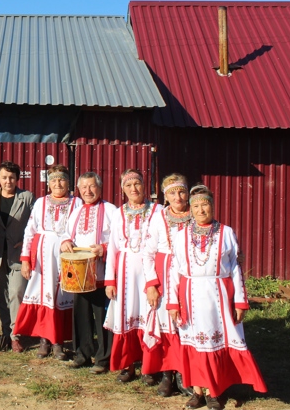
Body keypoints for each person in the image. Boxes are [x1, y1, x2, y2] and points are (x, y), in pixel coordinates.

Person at [167, 185, 267, 410]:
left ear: (212, 206)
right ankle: (197, 392)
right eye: (196, 206)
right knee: (195, 344)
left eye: (205, 205)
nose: (201, 210)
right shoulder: (181, 236)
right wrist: (173, 302)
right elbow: (174, 270)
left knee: (215, 343)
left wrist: (240, 301)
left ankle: (216, 391)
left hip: (218, 297)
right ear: (190, 210)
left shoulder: (226, 233)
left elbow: (235, 269)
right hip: (190, 296)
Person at [14, 164, 81, 360]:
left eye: (61, 179)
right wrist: (26, 260)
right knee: (43, 295)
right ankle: (44, 340)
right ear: (48, 183)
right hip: (42, 257)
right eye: (53, 180)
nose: (57, 183)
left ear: (68, 182)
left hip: (66, 255)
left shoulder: (76, 203)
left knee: (62, 295)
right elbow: (29, 231)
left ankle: (59, 342)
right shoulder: (41, 202)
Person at [105, 168, 162, 383]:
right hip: (125, 273)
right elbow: (112, 248)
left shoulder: (157, 211)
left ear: (144, 185)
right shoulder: (119, 213)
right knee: (126, 317)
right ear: (122, 189)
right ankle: (127, 365)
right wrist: (110, 279)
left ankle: (149, 367)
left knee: (150, 316)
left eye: (137, 184)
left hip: (150, 273)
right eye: (128, 185)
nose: (133, 189)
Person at [142, 173, 193, 396]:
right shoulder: (159, 217)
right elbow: (148, 253)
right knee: (166, 325)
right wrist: (152, 284)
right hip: (163, 276)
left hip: (190, 277)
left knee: (187, 323)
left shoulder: (197, 213)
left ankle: (186, 374)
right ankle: (167, 373)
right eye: (172, 192)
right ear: (165, 196)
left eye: (181, 191)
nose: (178, 196)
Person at [0, 161, 34, 352]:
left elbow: (35, 224)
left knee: (16, 293)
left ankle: (15, 335)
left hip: (19, 254)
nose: (8, 181)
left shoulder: (26, 198)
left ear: (17, 178)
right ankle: (5, 333)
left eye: (11, 177)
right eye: (4, 177)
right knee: (2, 295)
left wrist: (30, 243)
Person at [68, 171, 116, 373]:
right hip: (80, 273)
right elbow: (66, 232)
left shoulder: (111, 210)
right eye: (84, 187)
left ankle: (103, 359)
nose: (88, 191)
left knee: (101, 316)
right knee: (81, 313)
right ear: (79, 190)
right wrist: (65, 242)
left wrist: (104, 248)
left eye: (92, 186)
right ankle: (82, 353)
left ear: (100, 187)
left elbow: (118, 239)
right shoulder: (76, 210)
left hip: (102, 272)